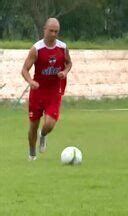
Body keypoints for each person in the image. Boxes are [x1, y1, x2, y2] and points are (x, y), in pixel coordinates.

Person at [21, 18, 72, 160]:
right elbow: (24, 69)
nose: (54, 34)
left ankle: (43, 135)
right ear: (45, 29)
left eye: (56, 31)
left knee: (49, 124)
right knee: (33, 126)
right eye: (51, 31)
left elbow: (69, 63)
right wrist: (31, 81)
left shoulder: (63, 47)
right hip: (37, 93)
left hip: (54, 92)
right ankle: (32, 153)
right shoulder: (36, 49)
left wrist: (65, 72)